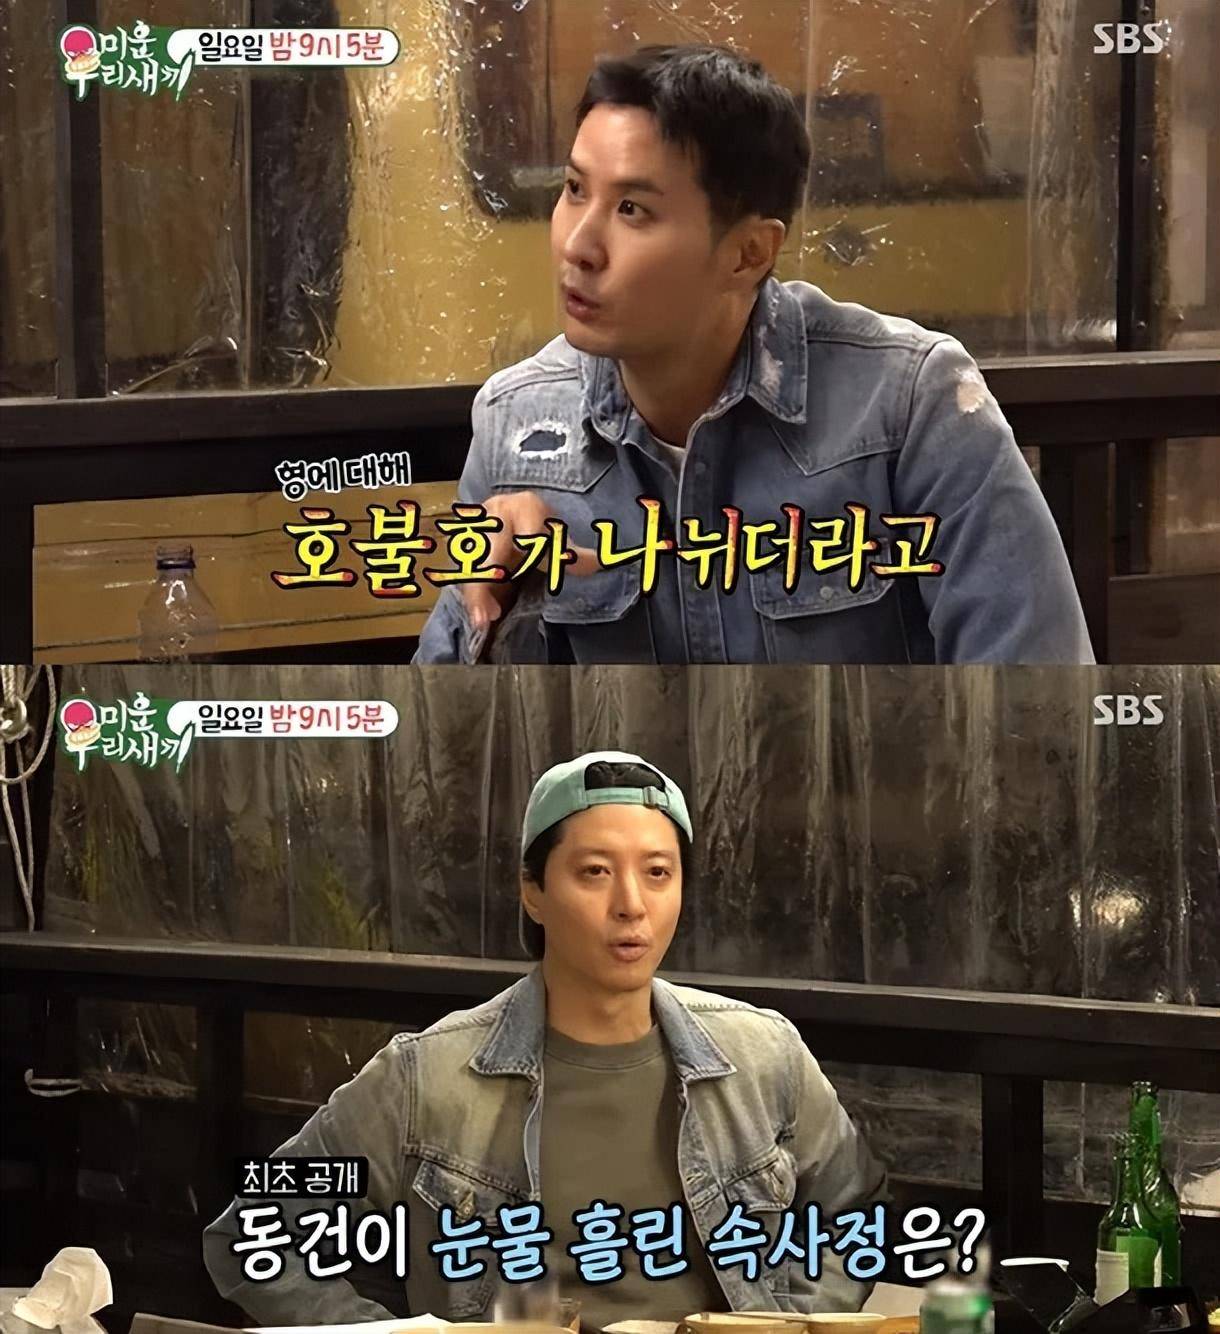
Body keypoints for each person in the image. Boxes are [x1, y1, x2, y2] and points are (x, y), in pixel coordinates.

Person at [414, 43, 1094, 666]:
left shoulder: (909, 405)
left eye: (633, 210)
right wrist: (499, 613)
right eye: (574, 190)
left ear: (748, 253)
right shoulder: (519, 422)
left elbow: (1037, 705)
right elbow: (447, 735)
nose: (577, 245)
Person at [203, 752, 888, 1329]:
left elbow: (858, 1208)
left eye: (658, 872)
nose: (632, 905)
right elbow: (248, 1235)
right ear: (533, 891)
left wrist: (795, 1322)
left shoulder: (763, 1055)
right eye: (594, 872)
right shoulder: (425, 1078)